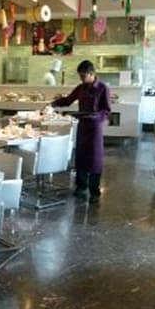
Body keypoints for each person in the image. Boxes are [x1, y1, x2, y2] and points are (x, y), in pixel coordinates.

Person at [51, 60, 111, 203]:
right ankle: (81, 186)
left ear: (92, 74)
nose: (81, 79)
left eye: (83, 76)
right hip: (83, 125)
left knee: (95, 158)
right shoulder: (81, 88)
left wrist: (97, 117)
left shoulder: (103, 88)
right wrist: (53, 104)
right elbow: (68, 100)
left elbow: (106, 110)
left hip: (95, 126)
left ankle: (94, 189)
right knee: (81, 155)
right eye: (80, 76)